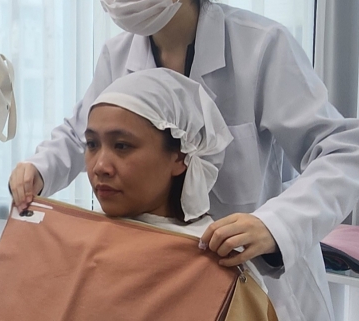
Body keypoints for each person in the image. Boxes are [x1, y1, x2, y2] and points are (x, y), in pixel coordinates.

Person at [9, 0, 359, 319]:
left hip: (255, 281)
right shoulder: (118, 55)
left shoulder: (261, 47)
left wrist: (274, 224)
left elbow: (345, 153)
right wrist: (39, 169)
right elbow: (80, 133)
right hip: (163, 272)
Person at [84, 68, 269, 296]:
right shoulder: (79, 245)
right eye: (91, 144)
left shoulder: (217, 267)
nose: (100, 167)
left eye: (122, 146)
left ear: (180, 157)